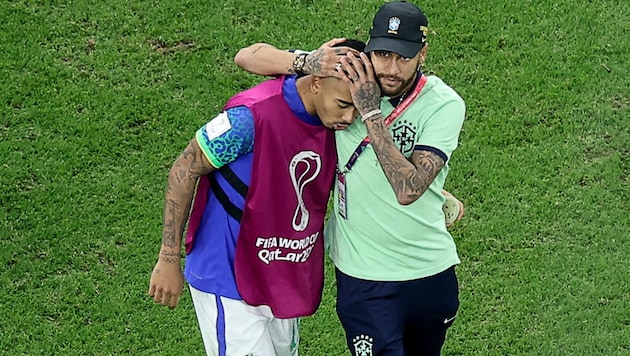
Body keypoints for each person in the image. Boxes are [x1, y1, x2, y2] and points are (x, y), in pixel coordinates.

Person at [234, 1, 466, 355]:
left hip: (430, 273)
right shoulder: (346, 78)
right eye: (383, 54)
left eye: (403, 57)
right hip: (366, 279)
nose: (390, 68)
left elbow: (409, 189)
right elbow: (247, 57)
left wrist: (371, 110)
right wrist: (308, 61)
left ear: (423, 53)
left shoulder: (443, 104)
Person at [148, 40, 367, 356]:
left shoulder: (337, 123)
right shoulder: (250, 119)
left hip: (282, 275)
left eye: (358, 108)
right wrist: (169, 259)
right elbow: (184, 168)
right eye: (344, 104)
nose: (350, 118)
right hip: (227, 275)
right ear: (317, 82)